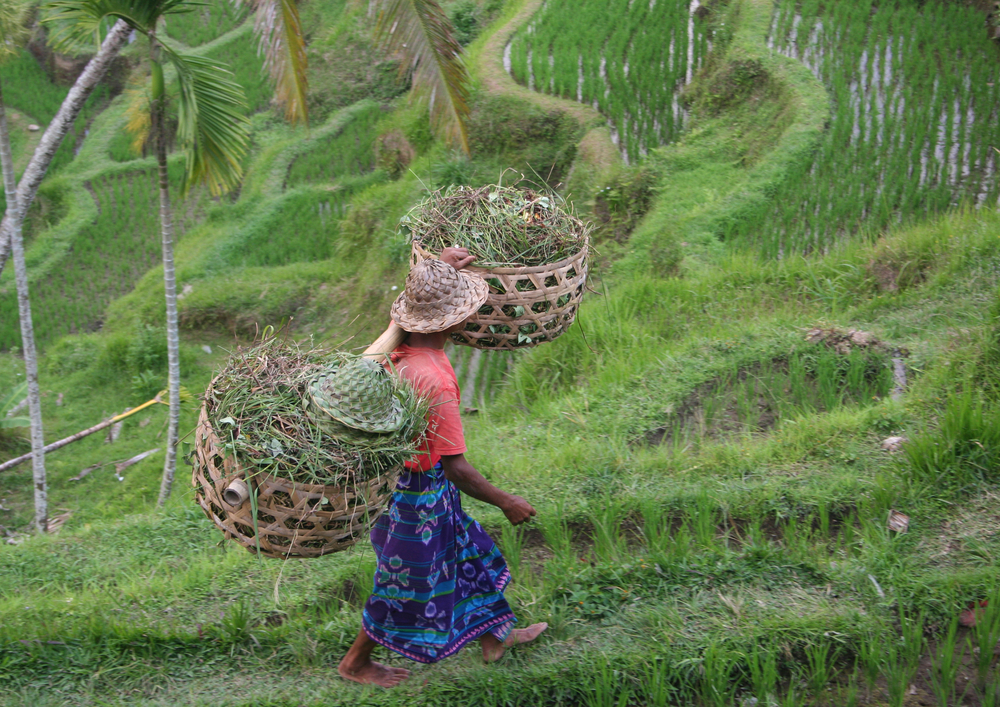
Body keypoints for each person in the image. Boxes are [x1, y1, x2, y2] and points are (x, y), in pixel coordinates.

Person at [338, 248, 548, 688]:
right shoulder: (433, 378)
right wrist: (506, 501)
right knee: (404, 582)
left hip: (403, 484)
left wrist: (440, 272)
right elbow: (456, 468)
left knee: (465, 554)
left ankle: (495, 638)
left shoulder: (397, 353)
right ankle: (356, 662)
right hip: (414, 497)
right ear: (455, 322)